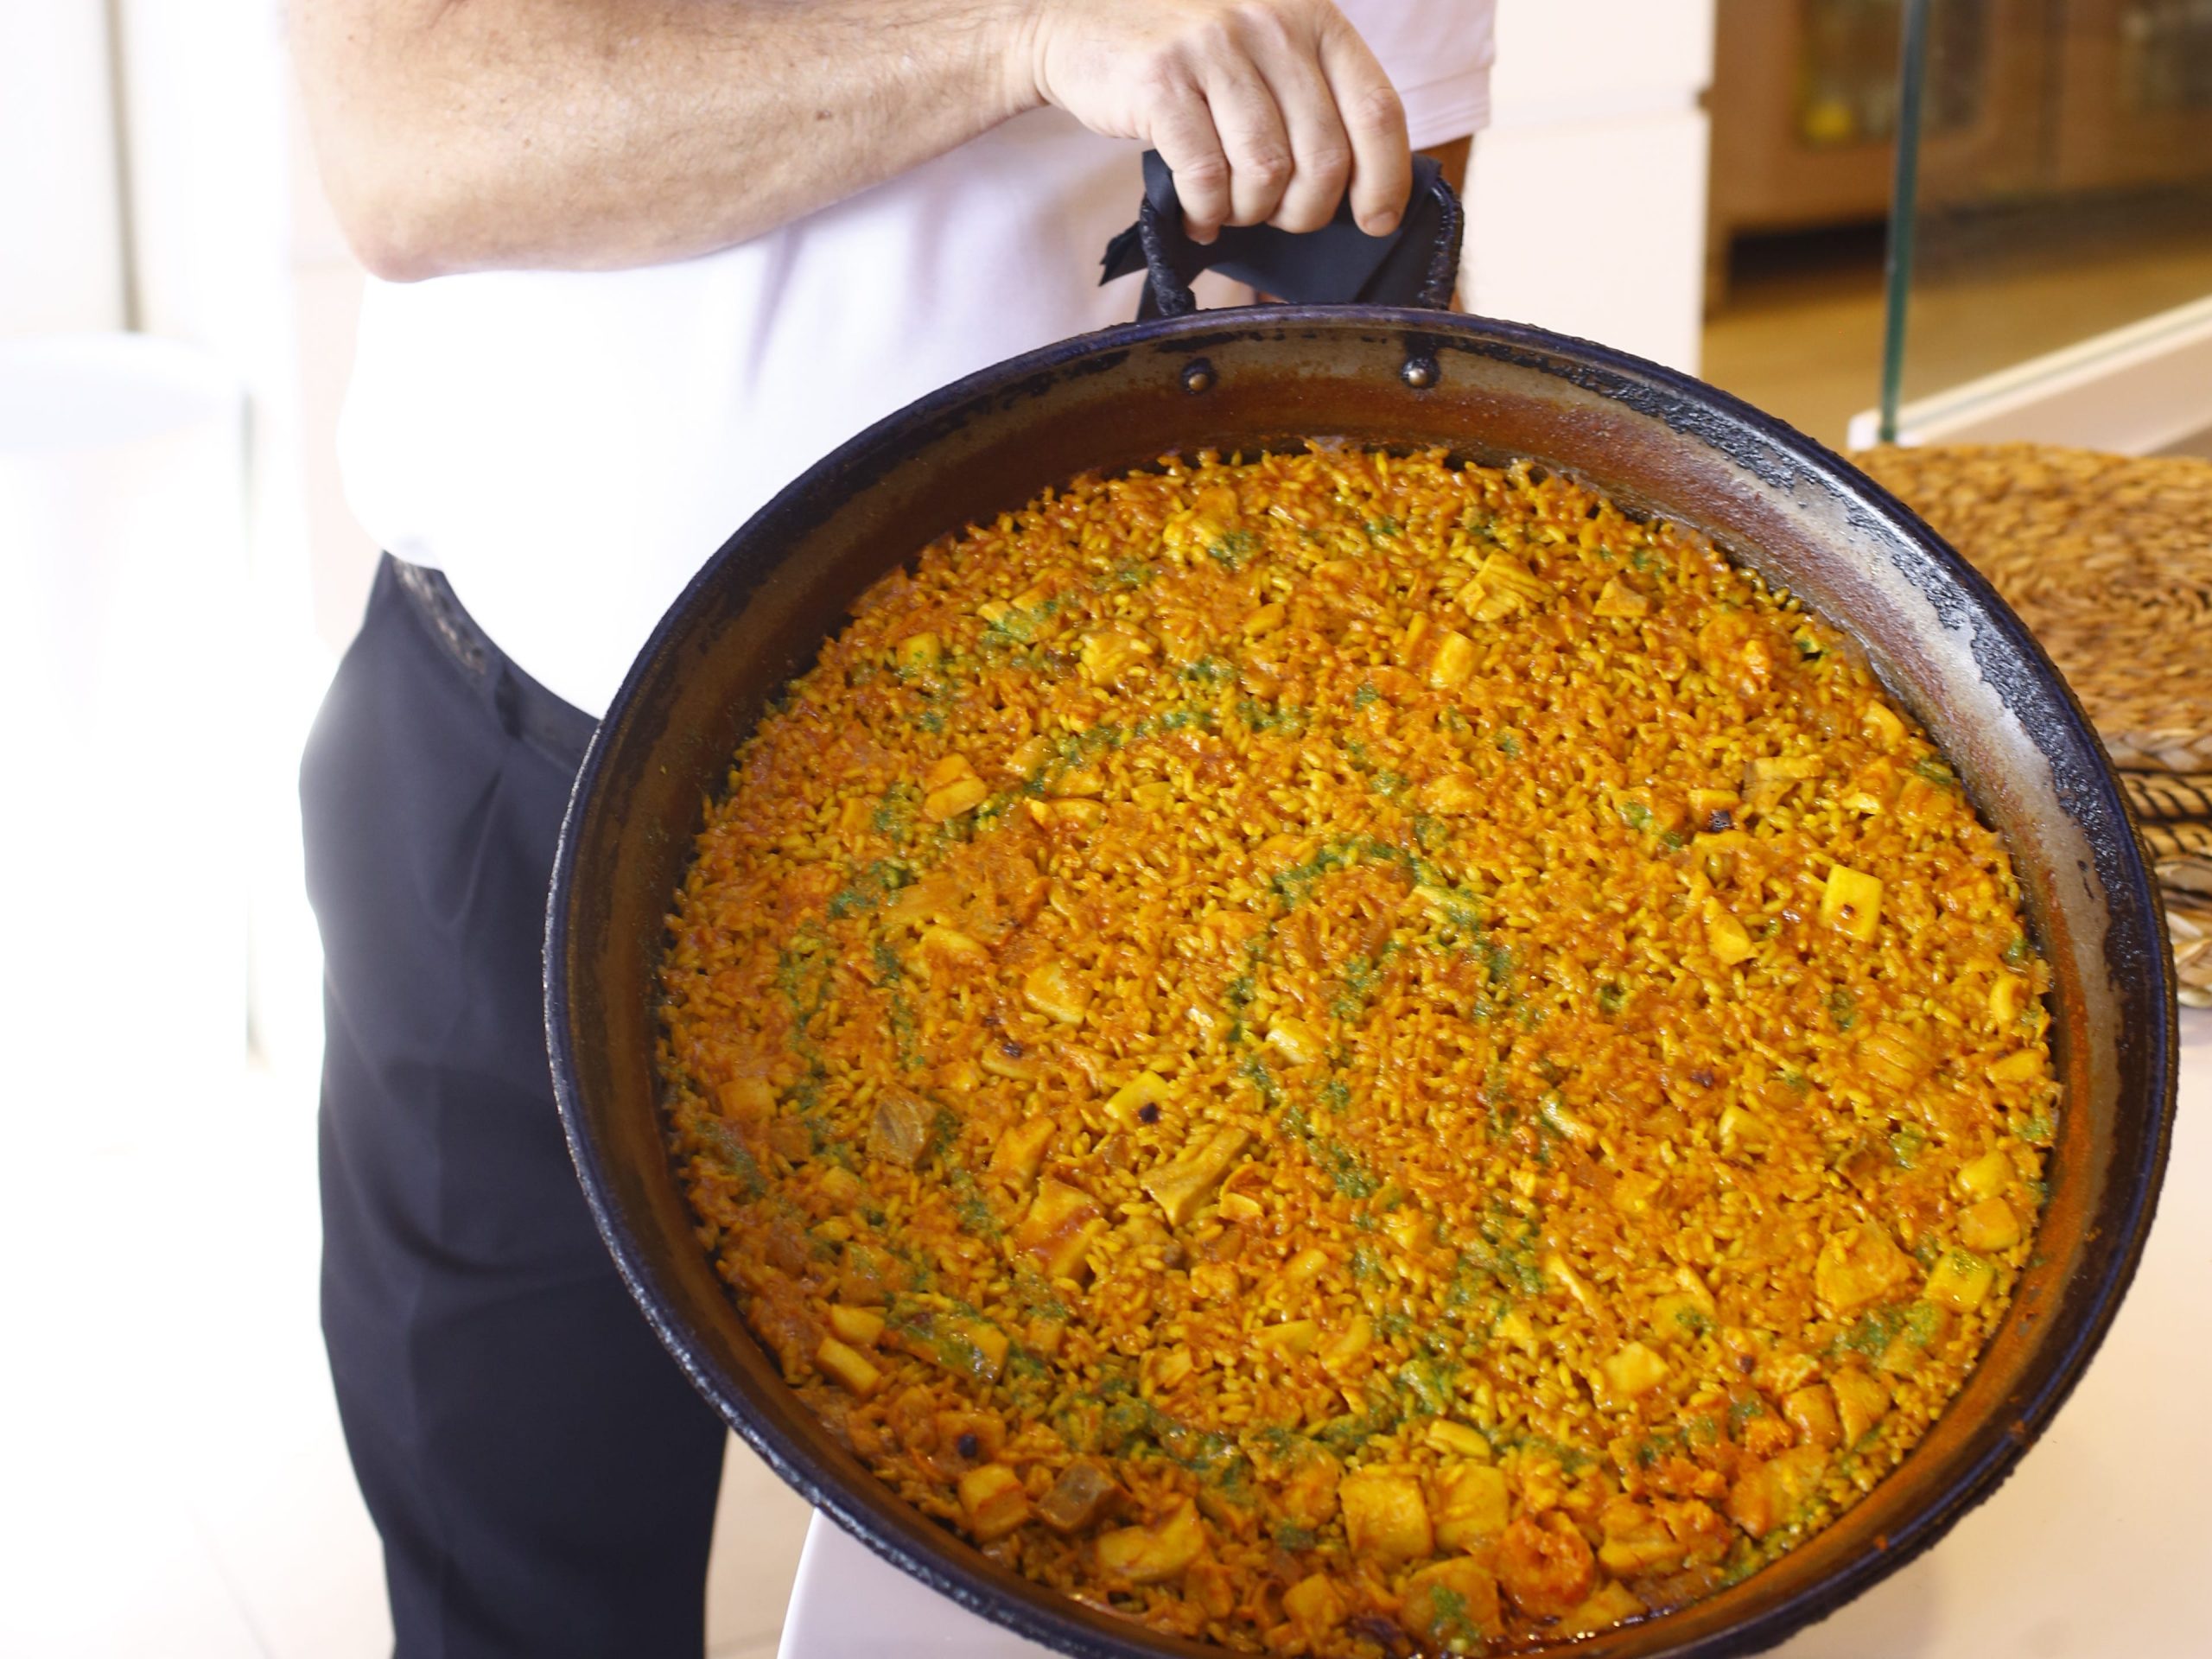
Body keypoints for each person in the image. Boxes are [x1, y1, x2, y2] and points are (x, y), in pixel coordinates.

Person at [289, 3, 1496, 1654]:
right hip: (523, 770)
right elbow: (409, 151)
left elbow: (1370, 269)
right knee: (517, 1562)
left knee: (1107, 1554)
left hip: (1075, 848)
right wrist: (1016, 39)